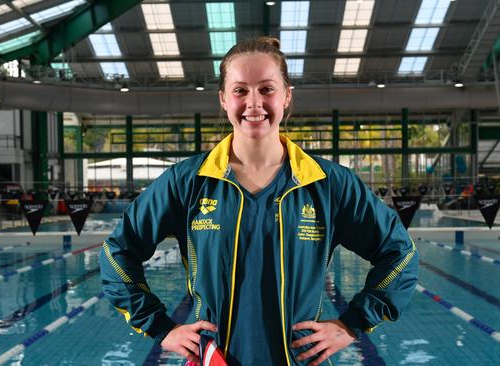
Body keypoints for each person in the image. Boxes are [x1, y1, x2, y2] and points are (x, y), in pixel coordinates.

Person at [100, 37, 418, 366]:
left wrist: (351, 324)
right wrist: (161, 328)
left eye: (266, 89)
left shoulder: (328, 184)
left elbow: (400, 254)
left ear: (286, 95)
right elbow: (117, 252)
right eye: (240, 90)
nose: (254, 104)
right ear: (224, 99)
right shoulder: (187, 182)